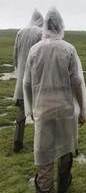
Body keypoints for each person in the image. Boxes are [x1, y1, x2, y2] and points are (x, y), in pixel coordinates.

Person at [23, 7, 86, 193]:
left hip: (43, 111)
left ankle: (46, 188)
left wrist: (31, 110)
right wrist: (82, 110)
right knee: (65, 152)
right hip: (66, 111)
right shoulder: (69, 50)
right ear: (60, 26)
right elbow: (77, 83)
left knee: (44, 160)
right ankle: (63, 186)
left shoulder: (34, 51)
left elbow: (27, 84)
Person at [13, 9, 43, 152]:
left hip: (21, 79)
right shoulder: (40, 33)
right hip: (35, 79)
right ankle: (40, 142)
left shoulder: (20, 32)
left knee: (21, 111)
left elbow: (16, 56)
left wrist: (19, 73)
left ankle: (17, 142)